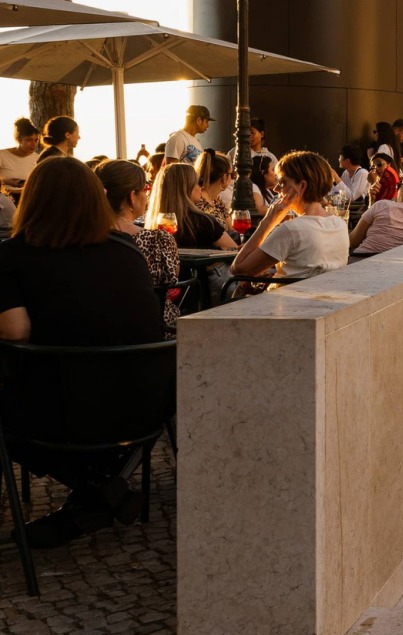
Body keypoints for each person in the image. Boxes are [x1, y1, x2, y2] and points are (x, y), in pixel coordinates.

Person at [0, 156, 163, 546]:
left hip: (61, 417)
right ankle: (103, 490)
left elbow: (15, 329)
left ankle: (98, 487)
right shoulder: (127, 253)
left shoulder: (11, 256)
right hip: (144, 408)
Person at [232, 150, 349, 282]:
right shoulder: (340, 224)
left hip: (288, 300)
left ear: (302, 186)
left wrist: (269, 221)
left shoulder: (292, 229)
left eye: (282, 182)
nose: (276, 189)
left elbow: (239, 269)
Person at [97, 158, 179, 333]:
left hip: (95, 335)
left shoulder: (78, 239)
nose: (147, 195)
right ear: (132, 196)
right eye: (145, 189)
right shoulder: (158, 240)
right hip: (153, 335)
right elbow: (173, 280)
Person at [147, 162, 236, 250]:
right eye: (199, 182)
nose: (202, 186)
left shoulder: (153, 224)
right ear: (186, 187)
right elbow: (234, 251)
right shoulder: (203, 222)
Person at [229, 116, 278, 184]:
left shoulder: (270, 156)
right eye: (247, 133)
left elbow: (277, 178)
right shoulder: (236, 151)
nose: (249, 136)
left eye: (252, 133)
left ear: (262, 134)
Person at [194, 151, 234, 228]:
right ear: (225, 177)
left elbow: (232, 228)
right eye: (231, 175)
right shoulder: (200, 202)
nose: (232, 179)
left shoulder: (216, 200)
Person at [0, 117, 40, 192]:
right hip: (4, 199)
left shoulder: (37, 158)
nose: (33, 144)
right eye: (29, 140)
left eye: (36, 140)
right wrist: (6, 181)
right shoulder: (2, 155)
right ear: (19, 140)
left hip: (26, 198)